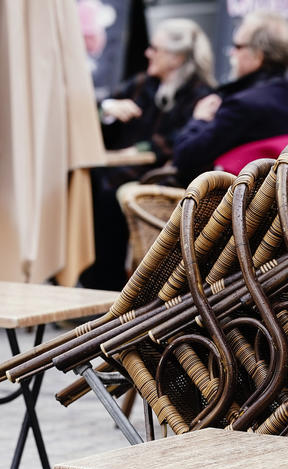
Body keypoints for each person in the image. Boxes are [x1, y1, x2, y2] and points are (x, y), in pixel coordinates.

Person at [81, 18, 215, 290]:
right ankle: (86, 279)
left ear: (176, 58)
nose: (147, 53)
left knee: (106, 196)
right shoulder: (142, 84)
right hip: (118, 170)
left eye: (155, 48)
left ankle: (106, 289)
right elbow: (95, 116)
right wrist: (108, 110)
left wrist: (143, 149)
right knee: (82, 184)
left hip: (162, 178)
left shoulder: (202, 94)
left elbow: (185, 140)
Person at [170, 11, 288, 184]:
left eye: (237, 46)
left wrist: (200, 119)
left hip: (217, 203)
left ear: (258, 56)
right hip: (269, 201)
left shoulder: (243, 104)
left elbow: (184, 157)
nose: (231, 53)